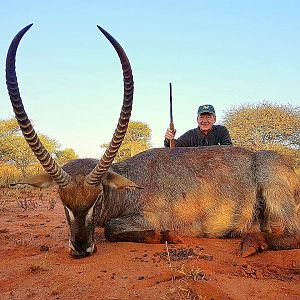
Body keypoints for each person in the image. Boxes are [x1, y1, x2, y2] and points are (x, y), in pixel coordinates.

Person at [164, 104, 232, 147]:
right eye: (201, 117)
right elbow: (174, 147)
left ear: (214, 119)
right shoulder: (190, 135)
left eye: (208, 117)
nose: (205, 121)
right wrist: (168, 139)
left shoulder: (222, 131)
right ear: (197, 119)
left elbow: (229, 150)